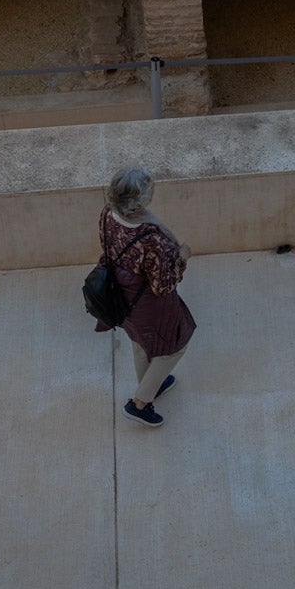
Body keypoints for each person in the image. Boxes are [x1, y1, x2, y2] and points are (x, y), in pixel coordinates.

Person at [95, 166, 197, 427]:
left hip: (120, 297)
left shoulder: (107, 214)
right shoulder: (151, 241)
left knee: (140, 343)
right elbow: (164, 286)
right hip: (149, 306)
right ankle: (139, 403)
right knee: (174, 347)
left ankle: (153, 385)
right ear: (143, 200)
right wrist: (182, 257)